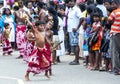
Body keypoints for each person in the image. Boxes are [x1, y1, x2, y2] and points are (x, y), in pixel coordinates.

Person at [108, 0, 120, 75]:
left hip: (115, 33)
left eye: (113, 4)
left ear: (116, 4)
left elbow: (109, 21)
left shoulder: (114, 12)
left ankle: (116, 69)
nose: (112, 6)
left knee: (114, 51)